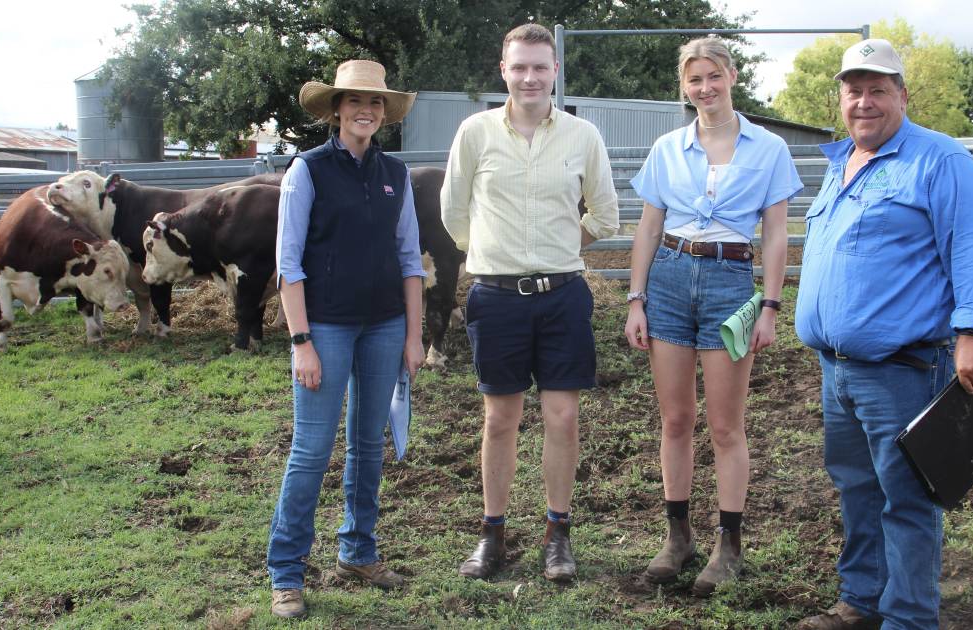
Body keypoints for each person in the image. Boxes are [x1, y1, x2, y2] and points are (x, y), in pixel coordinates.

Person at [794, 39, 973, 630]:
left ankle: (909, 618)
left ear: (902, 96)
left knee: (907, 499)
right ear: (841, 99)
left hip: (904, 368)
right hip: (837, 368)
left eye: (878, 90)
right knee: (857, 487)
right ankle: (861, 600)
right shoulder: (841, 165)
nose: (864, 102)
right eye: (854, 90)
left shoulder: (939, 161)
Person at [440, 23, 619, 583]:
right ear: (503, 71)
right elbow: (453, 212)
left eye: (540, 66)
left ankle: (556, 534)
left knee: (563, 416)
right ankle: (492, 533)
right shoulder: (474, 132)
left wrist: (561, 246)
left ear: (555, 72)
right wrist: (494, 252)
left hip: (563, 295)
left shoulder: (582, 136)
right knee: (500, 419)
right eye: (519, 66)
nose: (530, 77)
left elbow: (606, 215)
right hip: (496, 298)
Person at [623, 37, 801, 596]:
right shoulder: (668, 148)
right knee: (675, 419)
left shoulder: (769, 148)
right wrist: (636, 297)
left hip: (729, 282)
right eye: (695, 80)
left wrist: (769, 305)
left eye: (714, 76)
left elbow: (775, 234)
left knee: (725, 425)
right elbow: (649, 228)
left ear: (732, 76)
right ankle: (677, 537)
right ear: (684, 86)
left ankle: (729, 543)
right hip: (671, 279)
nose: (705, 88)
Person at [266, 59, 425, 619]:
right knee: (311, 449)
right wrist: (301, 339)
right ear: (336, 109)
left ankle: (358, 551)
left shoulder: (395, 174)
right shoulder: (306, 171)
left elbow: (410, 259)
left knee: (367, 444)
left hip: (384, 325)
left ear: (385, 113)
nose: (367, 110)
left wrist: (414, 335)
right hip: (326, 328)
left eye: (377, 102)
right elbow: (288, 263)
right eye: (356, 100)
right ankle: (286, 571)